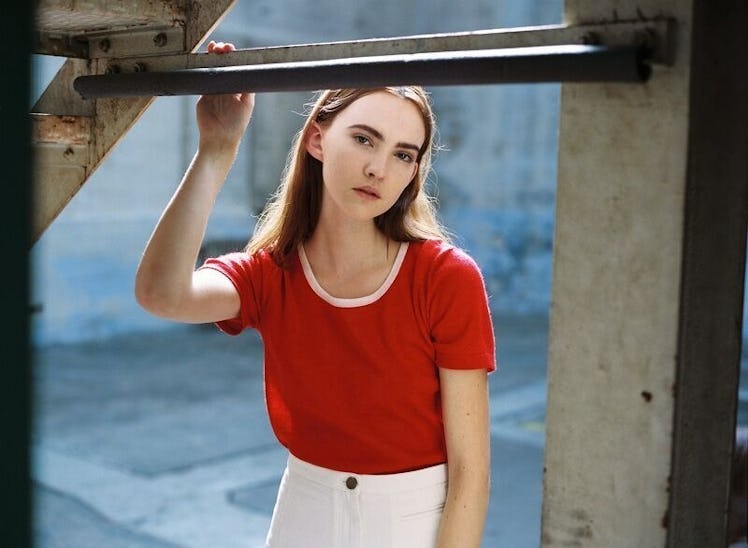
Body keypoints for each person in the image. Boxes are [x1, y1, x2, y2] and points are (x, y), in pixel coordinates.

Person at [135, 40, 496, 548]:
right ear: (317, 139)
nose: (379, 169)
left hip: (416, 522)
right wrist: (216, 149)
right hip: (303, 513)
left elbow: (470, 474)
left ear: (413, 173)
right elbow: (161, 294)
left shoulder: (445, 278)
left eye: (402, 154)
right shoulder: (271, 274)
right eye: (364, 139)